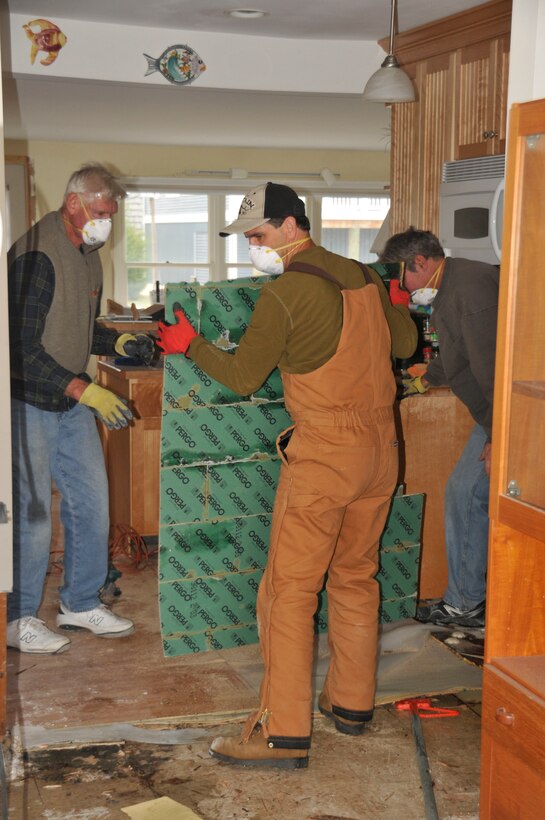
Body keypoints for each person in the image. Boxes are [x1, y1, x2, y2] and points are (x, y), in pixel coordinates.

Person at [157, 182, 417, 768]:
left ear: (292, 225)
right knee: (356, 576)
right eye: (248, 237)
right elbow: (403, 343)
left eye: (258, 234)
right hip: (382, 451)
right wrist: (393, 301)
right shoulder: (363, 276)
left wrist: (188, 344)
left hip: (326, 454)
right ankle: (351, 706)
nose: (254, 245)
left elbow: (245, 376)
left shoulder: (284, 293)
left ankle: (282, 734)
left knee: (288, 592)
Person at [7, 162, 154, 655]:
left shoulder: (88, 253)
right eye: (99, 211)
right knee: (31, 515)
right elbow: (18, 346)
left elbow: (76, 326)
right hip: (28, 400)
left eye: (111, 214)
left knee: (92, 502)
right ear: (73, 203)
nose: (105, 222)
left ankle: (79, 602)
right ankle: (17, 617)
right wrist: (84, 390)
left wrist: (122, 340)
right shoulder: (35, 255)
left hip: (70, 402)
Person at [380, 226, 499, 630]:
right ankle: (466, 601)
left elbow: (493, 366)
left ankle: (467, 604)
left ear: (421, 263)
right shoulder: (450, 287)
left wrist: (501, 436)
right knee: (465, 493)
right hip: (495, 413)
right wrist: (422, 380)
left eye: (403, 278)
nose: (404, 288)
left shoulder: (468, 291)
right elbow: (455, 353)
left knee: (468, 495)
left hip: (507, 413)